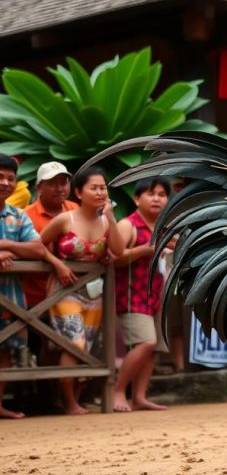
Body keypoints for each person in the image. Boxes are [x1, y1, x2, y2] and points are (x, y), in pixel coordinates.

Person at [40, 166, 125, 415]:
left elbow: (118, 251)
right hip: (64, 291)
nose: (100, 192)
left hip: (94, 295)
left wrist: (110, 218)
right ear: (78, 192)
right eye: (93, 188)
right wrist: (57, 265)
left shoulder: (105, 220)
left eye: (103, 187)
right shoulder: (65, 219)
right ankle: (69, 402)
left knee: (87, 348)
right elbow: (38, 244)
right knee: (75, 344)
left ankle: (73, 398)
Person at [111, 177, 172, 412]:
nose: (157, 198)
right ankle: (118, 391)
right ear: (137, 199)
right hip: (130, 295)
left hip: (156, 295)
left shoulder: (164, 229)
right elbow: (114, 258)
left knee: (153, 348)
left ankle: (139, 397)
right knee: (146, 342)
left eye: (161, 194)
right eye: (150, 193)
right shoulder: (128, 225)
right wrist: (145, 250)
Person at [0, 153, 47, 419]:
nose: (6, 183)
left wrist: (6, 246)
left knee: (5, 352)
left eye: (11, 179)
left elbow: (37, 248)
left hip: (11, 297)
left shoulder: (17, 216)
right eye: (1, 178)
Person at [23, 162, 78, 309]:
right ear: (39, 187)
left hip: (72, 294)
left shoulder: (76, 209)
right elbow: (26, 248)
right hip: (35, 297)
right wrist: (56, 264)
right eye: (53, 184)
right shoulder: (26, 215)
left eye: (64, 183)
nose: (60, 189)